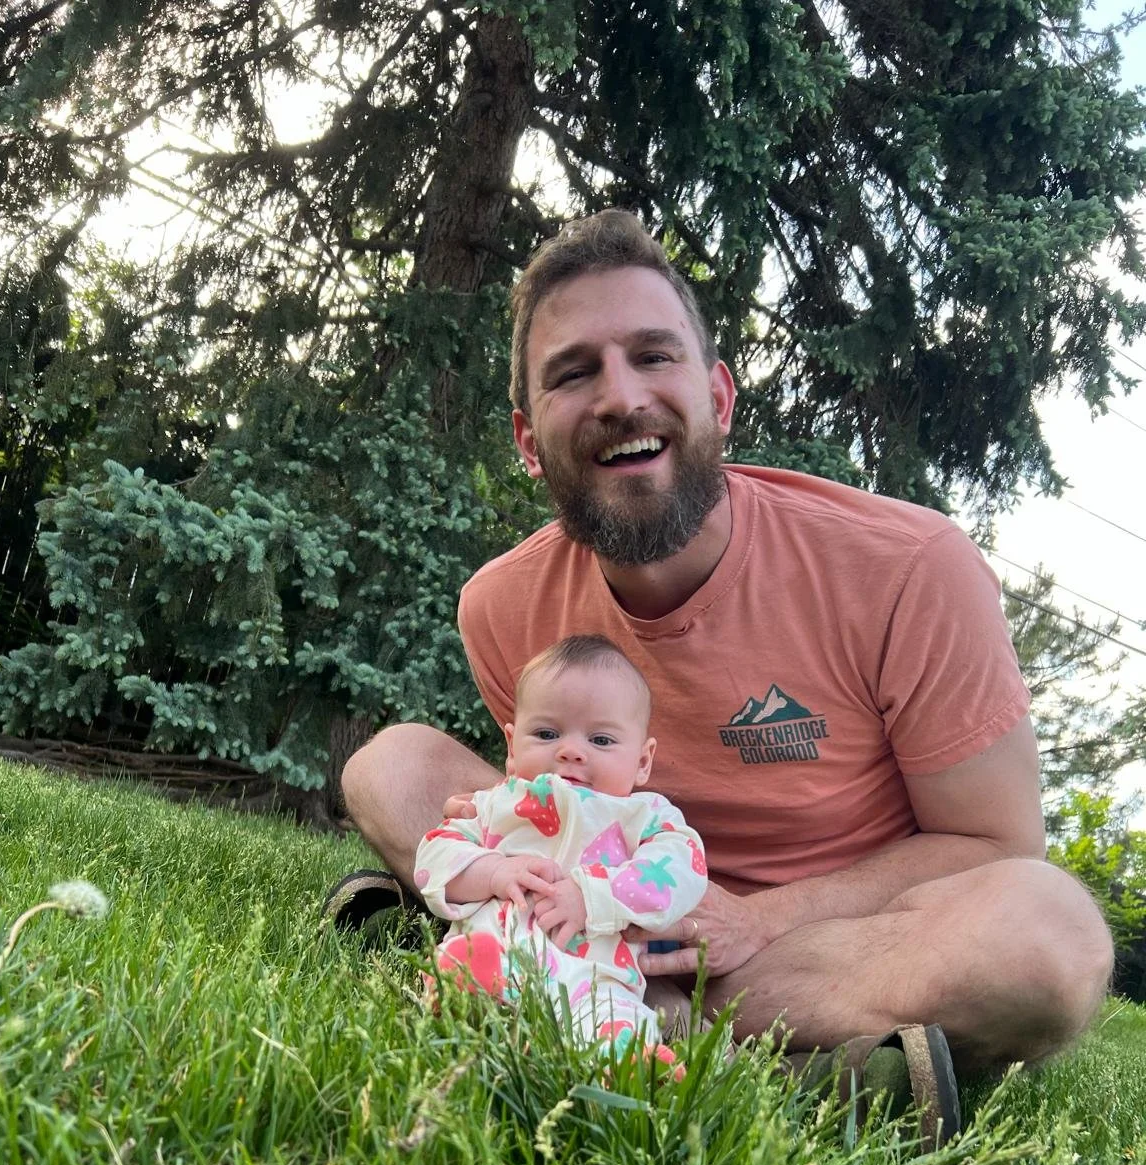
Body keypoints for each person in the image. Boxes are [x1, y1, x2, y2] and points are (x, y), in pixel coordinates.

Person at [335, 209, 1113, 1111]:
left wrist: (757, 919)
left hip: (817, 942)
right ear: (526, 443)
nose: (620, 396)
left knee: (1052, 937)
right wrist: (508, 831)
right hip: (601, 909)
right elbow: (562, 792)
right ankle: (784, 1063)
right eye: (574, 372)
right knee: (390, 764)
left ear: (721, 398)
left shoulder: (910, 568)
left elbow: (996, 843)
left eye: (654, 356)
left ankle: (589, 1002)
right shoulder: (500, 606)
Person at [415, 633, 708, 1065]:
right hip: (502, 955)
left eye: (602, 741)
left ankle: (633, 1064)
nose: (570, 751)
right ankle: (468, 1000)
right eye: (547, 733)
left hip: (599, 977)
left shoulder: (645, 816)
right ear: (513, 747)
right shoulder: (496, 802)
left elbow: (683, 869)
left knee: (615, 1021)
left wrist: (594, 897)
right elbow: (434, 856)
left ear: (643, 762)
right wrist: (492, 871)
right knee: (471, 966)